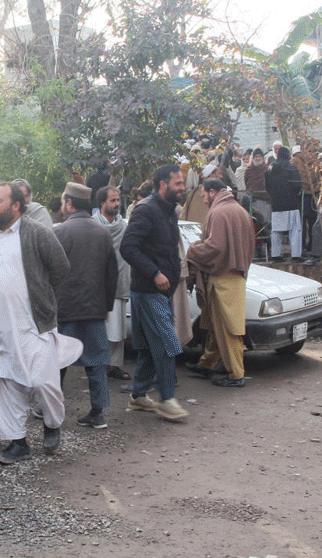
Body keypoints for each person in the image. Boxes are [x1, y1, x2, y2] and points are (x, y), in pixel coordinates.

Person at [0, 182, 78, 464]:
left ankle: (51, 424)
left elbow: (61, 268)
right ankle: (17, 443)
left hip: (34, 324)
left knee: (44, 383)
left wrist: (42, 297)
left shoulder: (37, 232)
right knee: (6, 383)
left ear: (15, 206)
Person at [119, 165, 190, 422]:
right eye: (178, 183)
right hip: (149, 290)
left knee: (150, 346)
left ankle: (139, 395)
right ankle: (168, 399)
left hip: (162, 291)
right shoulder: (146, 210)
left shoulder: (169, 210)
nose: (183, 187)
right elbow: (128, 247)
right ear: (163, 184)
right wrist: (155, 273)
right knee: (167, 343)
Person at [55, 183, 118, 429]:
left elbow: (51, 273)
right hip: (94, 309)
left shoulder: (60, 233)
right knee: (96, 360)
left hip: (65, 310)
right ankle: (98, 412)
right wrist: (107, 307)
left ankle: (49, 409)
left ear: (69, 203)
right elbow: (112, 275)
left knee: (58, 362)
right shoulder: (103, 233)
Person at [185, 179, 255, 387]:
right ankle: (207, 364)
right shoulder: (239, 210)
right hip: (235, 274)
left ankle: (236, 375)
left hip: (223, 276)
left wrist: (193, 249)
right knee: (215, 326)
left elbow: (215, 248)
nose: (204, 200)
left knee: (228, 328)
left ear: (213, 192)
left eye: (204, 195)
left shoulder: (219, 212)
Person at [94, 186, 132, 382]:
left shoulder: (123, 226)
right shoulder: (93, 226)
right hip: (99, 286)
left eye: (118, 200)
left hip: (120, 283)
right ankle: (100, 366)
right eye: (113, 200)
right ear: (102, 203)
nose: (117, 204)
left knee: (119, 331)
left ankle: (113, 366)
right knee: (102, 330)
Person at [266, 146, 303, 262]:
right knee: (295, 230)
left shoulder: (269, 169)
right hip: (291, 203)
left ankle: (276, 255)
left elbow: (267, 187)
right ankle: (296, 255)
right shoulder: (291, 167)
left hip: (276, 204)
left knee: (276, 231)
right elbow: (297, 186)